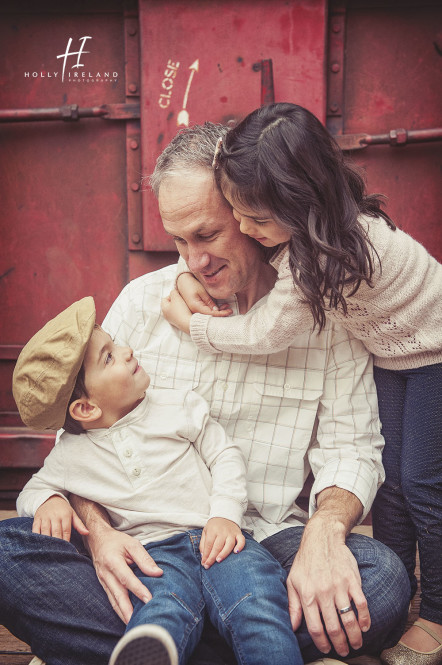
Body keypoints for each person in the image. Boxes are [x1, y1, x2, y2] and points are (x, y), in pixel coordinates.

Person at [0, 122, 410, 665]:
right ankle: (245, 646)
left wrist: (325, 533)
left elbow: (351, 448)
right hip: (146, 547)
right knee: (7, 554)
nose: (193, 261)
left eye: (208, 234)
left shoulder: (324, 316)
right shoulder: (144, 302)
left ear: (254, 215)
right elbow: (77, 443)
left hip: (259, 541)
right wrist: (98, 534)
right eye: (179, 240)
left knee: (382, 580)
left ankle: (161, 646)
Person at [164, 103, 442, 665]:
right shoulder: (306, 234)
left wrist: (195, 327)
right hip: (392, 355)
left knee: (422, 483)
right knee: (391, 484)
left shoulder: (326, 265)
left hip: (435, 353)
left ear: (299, 204)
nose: (245, 229)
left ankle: (434, 612)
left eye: (251, 221)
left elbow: (268, 331)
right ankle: (366, 616)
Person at [12, 296, 303, 665]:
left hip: (218, 538)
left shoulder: (176, 405)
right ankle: (148, 650)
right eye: (109, 357)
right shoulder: (71, 454)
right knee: (161, 607)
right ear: (86, 409)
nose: (127, 350)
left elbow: (225, 455)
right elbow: (34, 489)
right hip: (154, 556)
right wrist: (49, 500)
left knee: (256, 598)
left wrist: (225, 515)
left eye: (115, 343)